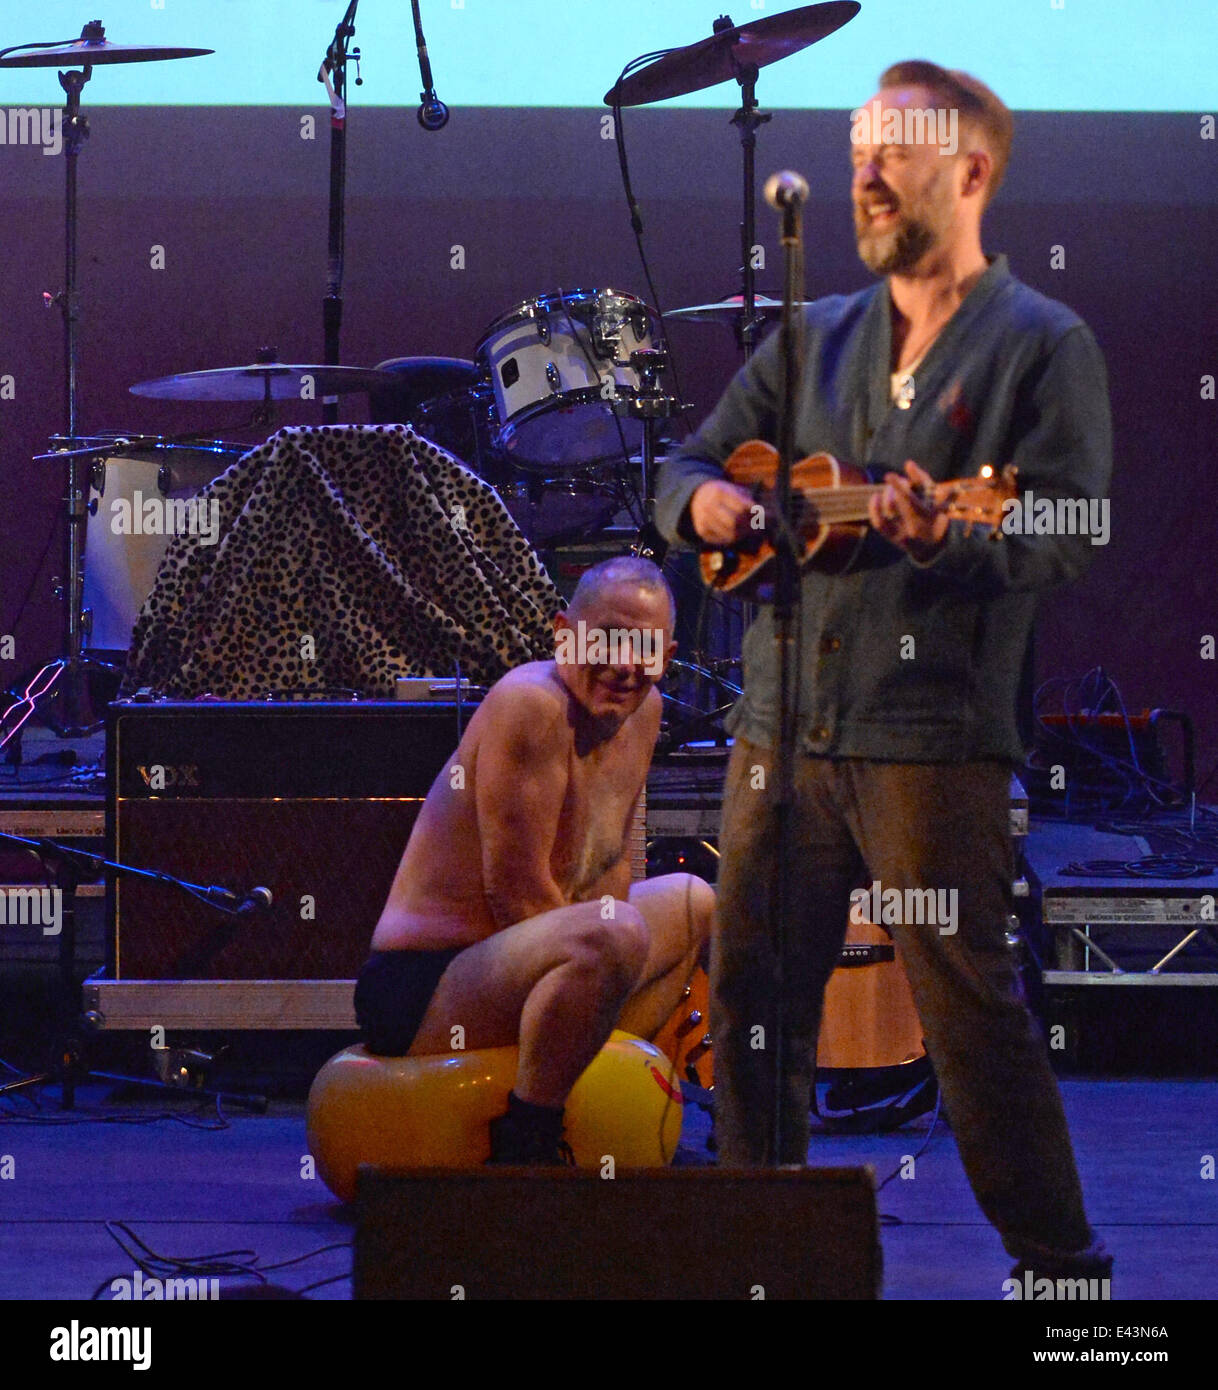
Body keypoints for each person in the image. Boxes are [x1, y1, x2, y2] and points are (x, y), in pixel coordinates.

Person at [654, 60, 1113, 1285]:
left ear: (971, 172)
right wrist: (705, 503)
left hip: (930, 737)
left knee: (969, 1020)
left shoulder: (1038, 346)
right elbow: (685, 467)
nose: (864, 168)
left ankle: (1064, 1277)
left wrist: (948, 533)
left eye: (894, 146)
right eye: (856, 145)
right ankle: (765, 1256)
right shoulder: (820, 337)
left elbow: (1068, 526)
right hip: (784, 722)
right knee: (751, 1003)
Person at [354, 555, 713, 1162]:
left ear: (668, 654)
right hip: (424, 985)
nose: (625, 667)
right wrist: (605, 955)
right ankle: (527, 1141)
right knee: (613, 931)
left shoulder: (642, 713)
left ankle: (616, 1088)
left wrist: (596, 982)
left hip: (531, 962)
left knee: (693, 901)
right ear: (563, 633)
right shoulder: (531, 705)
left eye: (645, 650)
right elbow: (516, 896)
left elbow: (612, 866)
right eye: (607, 640)